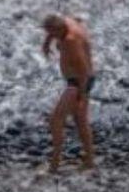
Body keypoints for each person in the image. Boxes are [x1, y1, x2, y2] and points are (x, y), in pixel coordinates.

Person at [41, 13, 97, 174]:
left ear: (58, 29)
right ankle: (89, 161)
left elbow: (83, 69)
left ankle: (55, 164)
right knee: (80, 121)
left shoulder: (70, 41)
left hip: (78, 82)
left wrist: (82, 95)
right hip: (81, 80)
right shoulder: (67, 21)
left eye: (52, 33)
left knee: (56, 119)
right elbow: (70, 19)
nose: (50, 36)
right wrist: (47, 42)